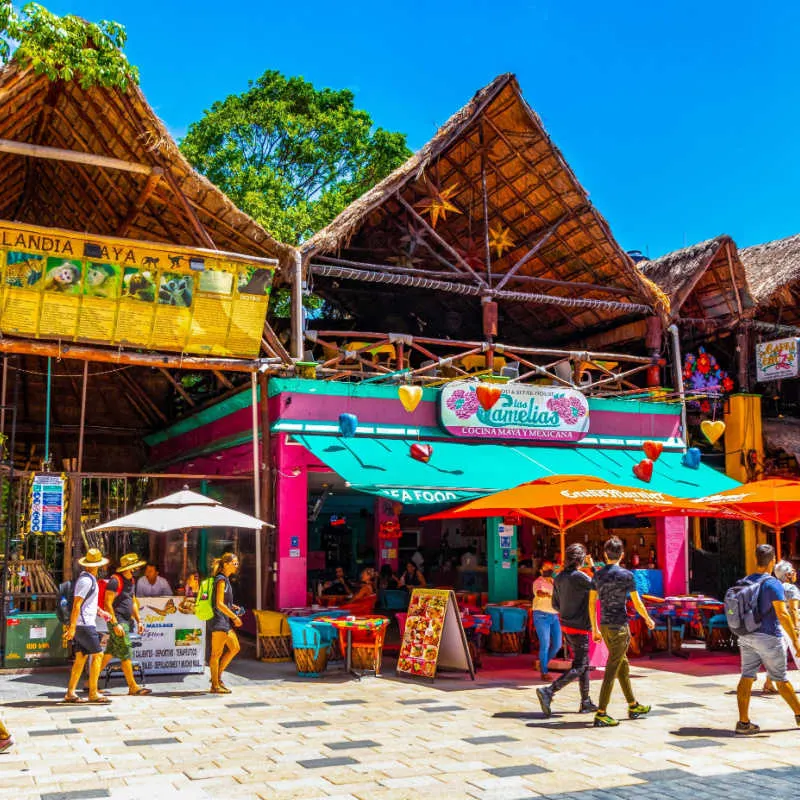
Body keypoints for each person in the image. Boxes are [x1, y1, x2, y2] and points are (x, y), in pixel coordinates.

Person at [734, 545, 800, 735]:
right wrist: (795, 641)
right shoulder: (772, 583)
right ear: (772, 561)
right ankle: (799, 714)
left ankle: (743, 723)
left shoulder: (745, 581)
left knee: (747, 676)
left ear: (756, 559)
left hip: (746, 635)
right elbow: (783, 614)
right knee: (780, 678)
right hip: (769, 637)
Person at [589, 536, 655, 727]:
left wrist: (594, 627)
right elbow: (637, 602)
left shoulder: (598, 575)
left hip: (605, 626)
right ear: (622, 555)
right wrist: (647, 619)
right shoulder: (627, 575)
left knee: (622, 665)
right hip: (619, 627)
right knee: (612, 668)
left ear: (604, 554)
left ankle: (633, 704)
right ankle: (601, 712)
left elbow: (592, 603)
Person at [536, 545, 597, 717]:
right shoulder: (581, 577)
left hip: (566, 625)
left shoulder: (559, 577)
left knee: (583, 664)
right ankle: (549, 691)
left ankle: (585, 701)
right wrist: (592, 567)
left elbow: (555, 605)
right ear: (580, 559)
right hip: (580, 626)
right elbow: (600, 586)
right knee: (581, 665)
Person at [100, 553, 151, 697]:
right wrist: (115, 624)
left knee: (109, 653)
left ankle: (90, 682)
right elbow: (107, 603)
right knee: (126, 651)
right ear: (129, 568)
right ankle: (133, 686)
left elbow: (133, 601)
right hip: (118, 622)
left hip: (126, 621)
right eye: (134, 567)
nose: (136, 569)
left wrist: (139, 620)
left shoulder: (132, 581)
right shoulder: (115, 581)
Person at [64, 548, 111, 704]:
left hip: (83, 623)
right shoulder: (86, 581)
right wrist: (72, 627)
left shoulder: (89, 580)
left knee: (81, 658)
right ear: (96, 565)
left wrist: (100, 612)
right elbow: (77, 605)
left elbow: (86, 603)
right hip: (84, 625)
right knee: (98, 655)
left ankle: (70, 692)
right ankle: (93, 692)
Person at [763, 560, 800, 693]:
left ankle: (768, 683)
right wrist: (796, 628)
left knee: (779, 654)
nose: (795, 573)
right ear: (787, 574)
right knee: (798, 652)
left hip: (776, 624)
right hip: (789, 624)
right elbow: (794, 610)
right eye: (793, 571)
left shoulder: (774, 586)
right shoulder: (791, 588)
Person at [209, 552, 243, 694]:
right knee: (216, 654)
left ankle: (217, 677)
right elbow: (219, 604)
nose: (237, 566)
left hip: (224, 621)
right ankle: (215, 685)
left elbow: (224, 602)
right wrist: (234, 617)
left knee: (235, 647)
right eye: (235, 563)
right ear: (227, 564)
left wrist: (232, 607)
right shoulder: (221, 579)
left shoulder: (226, 580)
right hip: (219, 621)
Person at [532, 562, 562, 680]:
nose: (549, 569)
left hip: (554, 615)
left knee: (557, 644)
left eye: (551, 568)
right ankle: (544, 672)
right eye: (546, 568)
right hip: (541, 615)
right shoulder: (538, 582)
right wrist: (547, 595)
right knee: (545, 644)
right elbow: (538, 592)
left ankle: (542, 664)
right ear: (541, 570)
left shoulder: (556, 583)